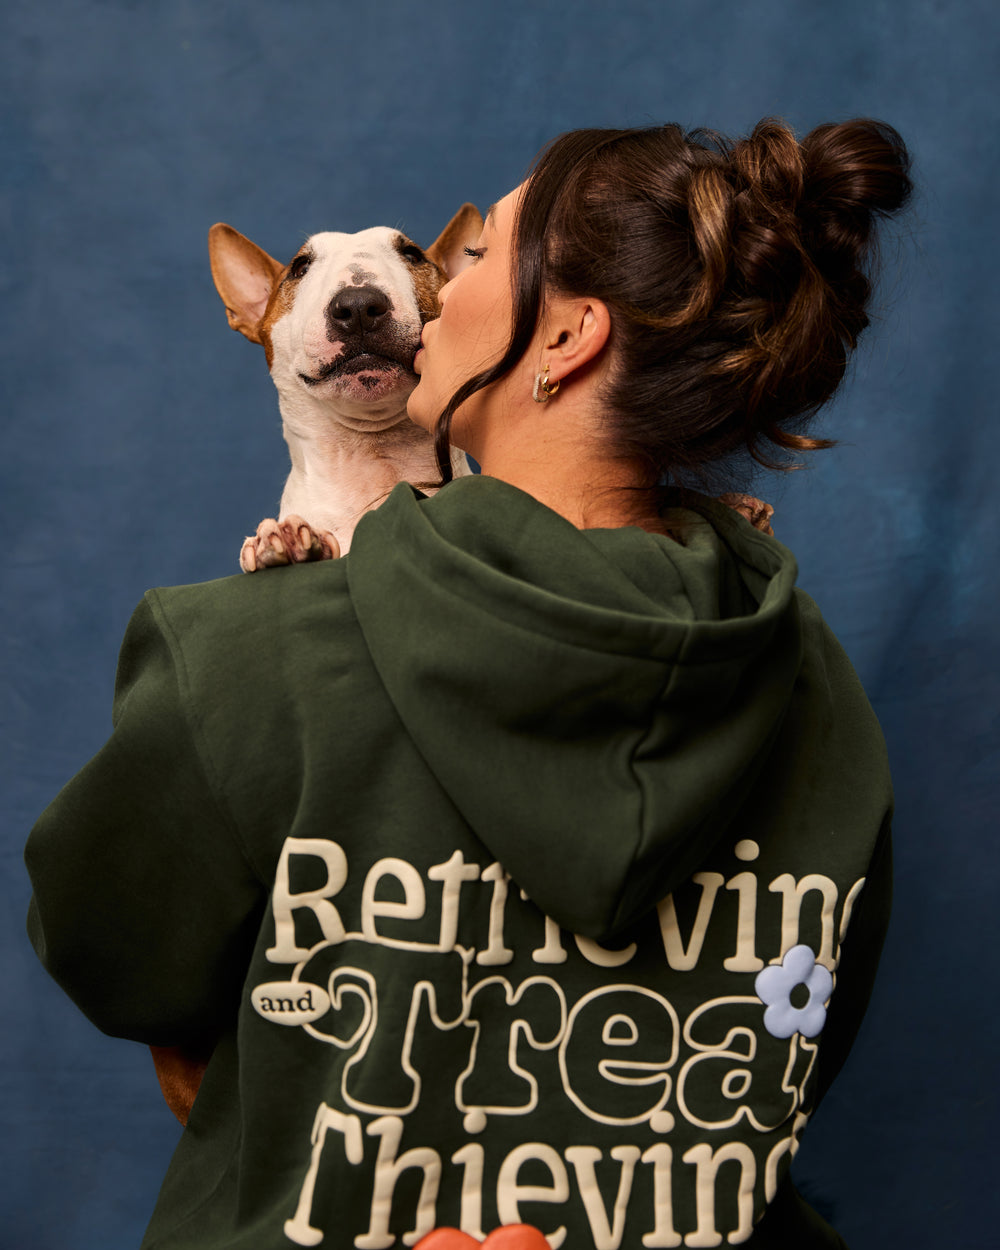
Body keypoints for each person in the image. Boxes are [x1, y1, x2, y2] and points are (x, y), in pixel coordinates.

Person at [25, 117, 912, 1249]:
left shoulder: (238, 656)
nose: (437, 293)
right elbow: (785, 1053)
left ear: (572, 336)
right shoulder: (810, 681)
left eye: (478, 256)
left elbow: (128, 977)